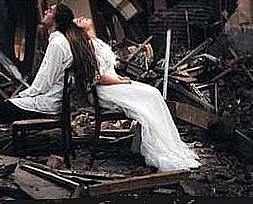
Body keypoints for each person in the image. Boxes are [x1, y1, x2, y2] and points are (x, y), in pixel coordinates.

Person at [0, 3, 98, 168]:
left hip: (47, 103)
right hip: (48, 99)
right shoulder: (59, 40)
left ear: (56, 20)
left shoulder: (58, 43)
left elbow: (44, 83)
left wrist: (21, 96)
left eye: (51, 10)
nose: (46, 11)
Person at [74, 16, 201, 172]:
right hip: (103, 89)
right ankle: (156, 147)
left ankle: (163, 143)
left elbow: (108, 70)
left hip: (112, 83)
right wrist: (120, 82)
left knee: (153, 93)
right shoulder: (86, 46)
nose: (81, 17)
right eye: (77, 20)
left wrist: (120, 78)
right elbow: (97, 77)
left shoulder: (97, 42)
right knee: (148, 96)